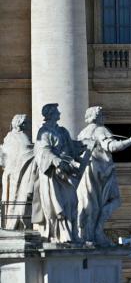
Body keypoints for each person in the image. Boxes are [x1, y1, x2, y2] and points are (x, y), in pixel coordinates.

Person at [76, 106, 131, 245]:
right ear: (96, 116)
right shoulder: (101, 130)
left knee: (89, 203)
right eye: (102, 114)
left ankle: (86, 234)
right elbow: (111, 146)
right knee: (114, 200)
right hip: (102, 172)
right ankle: (97, 231)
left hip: (85, 171)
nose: (104, 117)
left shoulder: (82, 133)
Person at [33, 104, 84, 243]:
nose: (59, 112)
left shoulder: (63, 131)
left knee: (72, 201)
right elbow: (42, 150)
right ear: (51, 114)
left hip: (65, 172)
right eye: (57, 111)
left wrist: (84, 145)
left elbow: (71, 147)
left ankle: (72, 234)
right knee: (57, 204)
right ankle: (60, 235)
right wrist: (56, 160)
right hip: (52, 173)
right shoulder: (44, 132)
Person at [0, 115, 37, 230]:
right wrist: (40, 150)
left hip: (11, 173)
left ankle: (10, 223)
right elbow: (27, 151)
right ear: (21, 124)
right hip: (17, 174)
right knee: (17, 198)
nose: (30, 126)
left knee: (12, 199)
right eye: (27, 123)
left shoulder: (8, 137)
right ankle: (15, 224)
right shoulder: (20, 137)